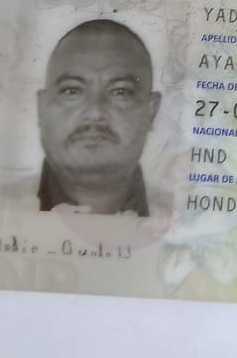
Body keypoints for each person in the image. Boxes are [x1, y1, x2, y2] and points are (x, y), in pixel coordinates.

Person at [33, 19, 162, 215]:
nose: (95, 112)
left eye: (120, 92)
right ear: (41, 108)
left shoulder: (187, 220)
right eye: (72, 91)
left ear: (151, 111)